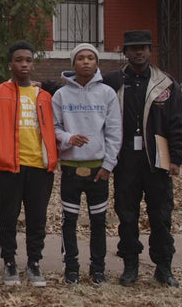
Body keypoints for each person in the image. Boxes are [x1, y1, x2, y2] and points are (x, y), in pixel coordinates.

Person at [102, 30, 182, 287]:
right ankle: (130, 265)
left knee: (160, 214)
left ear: (150, 51)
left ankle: (163, 266)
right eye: (133, 48)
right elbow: (80, 86)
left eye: (143, 48)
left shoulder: (166, 84)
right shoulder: (112, 81)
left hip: (157, 161)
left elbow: (177, 124)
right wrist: (43, 85)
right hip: (125, 161)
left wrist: (176, 159)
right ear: (125, 52)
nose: (138, 52)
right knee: (127, 215)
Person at [0, 41, 58, 287]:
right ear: (10, 64)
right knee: (8, 217)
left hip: (39, 167)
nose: (24, 64)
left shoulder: (45, 96)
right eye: (19, 60)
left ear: (33, 64)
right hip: (9, 166)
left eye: (28, 60)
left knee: (37, 218)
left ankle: (34, 263)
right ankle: (9, 262)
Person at [52, 43, 122, 286]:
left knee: (98, 221)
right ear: (73, 64)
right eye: (80, 58)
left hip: (98, 170)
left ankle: (98, 269)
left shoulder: (107, 94)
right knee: (69, 221)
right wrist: (68, 139)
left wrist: (108, 165)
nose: (85, 62)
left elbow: (114, 132)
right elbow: (54, 127)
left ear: (97, 63)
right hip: (71, 169)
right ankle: (71, 268)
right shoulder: (61, 95)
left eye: (90, 58)